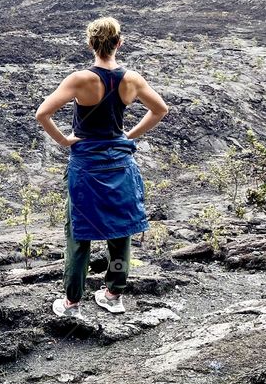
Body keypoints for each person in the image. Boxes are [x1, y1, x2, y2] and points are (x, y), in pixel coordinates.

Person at [35, 17, 168, 316]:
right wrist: (128, 135)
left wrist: (66, 141)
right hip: (120, 165)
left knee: (79, 235)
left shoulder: (80, 80)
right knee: (121, 233)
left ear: (90, 43)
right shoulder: (131, 79)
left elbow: (43, 114)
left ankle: (71, 303)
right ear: (119, 43)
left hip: (87, 167)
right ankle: (113, 294)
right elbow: (160, 110)